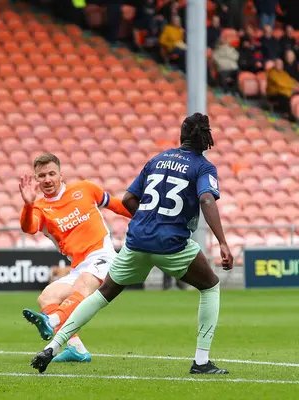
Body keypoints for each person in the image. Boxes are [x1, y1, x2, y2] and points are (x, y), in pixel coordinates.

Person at [30, 113, 234, 375]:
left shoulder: (157, 160)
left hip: (136, 240)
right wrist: (222, 241)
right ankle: (202, 362)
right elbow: (206, 200)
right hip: (171, 243)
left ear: (181, 136)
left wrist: (148, 221)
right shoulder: (203, 167)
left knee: (102, 295)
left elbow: (128, 200)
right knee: (210, 286)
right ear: (207, 139)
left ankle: (53, 347)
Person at [19, 153, 132, 363]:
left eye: (52, 173)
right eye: (41, 176)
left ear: (61, 175)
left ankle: (51, 321)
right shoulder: (40, 208)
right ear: (36, 180)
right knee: (47, 297)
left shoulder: (85, 189)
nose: (47, 179)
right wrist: (27, 205)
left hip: (102, 255)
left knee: (82, 286)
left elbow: (118, 206)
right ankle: (76, 349)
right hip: (79, 265)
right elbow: (29, 228)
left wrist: (150, 219)